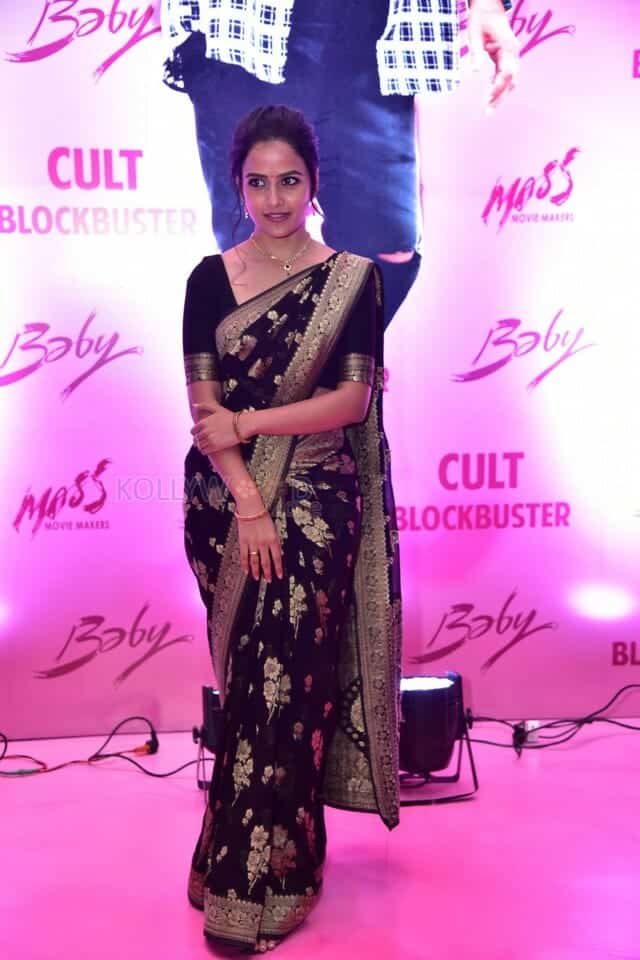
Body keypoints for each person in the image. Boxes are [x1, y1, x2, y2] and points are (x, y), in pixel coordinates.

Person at [182, 104, 402, 953]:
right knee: (248, 691)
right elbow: (205, 413)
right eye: (257, 182)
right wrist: (246, 500)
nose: (274, 199)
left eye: (289, 181)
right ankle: (230, 858)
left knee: (291, 693)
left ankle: (275, 874)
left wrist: (250, 425)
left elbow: (351, 401)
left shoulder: (351, 279)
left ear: (313, 185)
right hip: (224, 504)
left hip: (317, 500)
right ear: (238, 186)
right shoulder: (210, 279)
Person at [163, 0, 518, 329]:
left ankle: (321, 367)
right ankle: (299, 370)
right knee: (255, 253)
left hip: (371, 29)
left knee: (387, 246)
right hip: (242, 27)